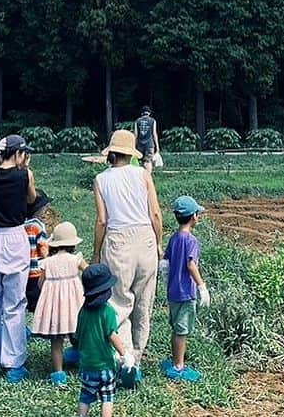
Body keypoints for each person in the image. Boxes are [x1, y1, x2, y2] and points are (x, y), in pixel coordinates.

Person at [92, 130, 163, 384]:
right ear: (131, 154)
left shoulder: (101, 180)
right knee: (144, 304)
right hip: (145, 238)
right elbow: (155, 213)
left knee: (119, 303)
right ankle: (137, 359)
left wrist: (96, 252)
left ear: (110, 153)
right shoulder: (143, 174)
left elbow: (102, 221)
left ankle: (124, 360)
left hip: (117, 240)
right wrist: (158, 242)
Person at [0, 134, 36, 384]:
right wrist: (25, 168)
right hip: (15, 237)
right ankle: (13, 362)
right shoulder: (24, 176)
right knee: (14, 302)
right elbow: (32, 198)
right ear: (19, 153)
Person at [160, 195, 210, 382]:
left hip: (172, 292)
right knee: (182, 331)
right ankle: (178, 366)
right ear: (194, 216)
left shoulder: (174, 238)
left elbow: (165, 262)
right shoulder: (191, 241)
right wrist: (202, 286)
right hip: (185, 294)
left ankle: (174, 360)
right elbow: (191, 265)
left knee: (176, 328)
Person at [33, 221, 88, 386]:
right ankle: (84, 365)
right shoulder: (76, 259)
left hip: (55, 308)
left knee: (56, 341)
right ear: (73, 243)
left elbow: (40, 284)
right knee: (79, 335)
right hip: (75, 305)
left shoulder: (47, 263)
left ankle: (58, 373)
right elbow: (90, 272)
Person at [76, 263, 135, 417]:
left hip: (86, 366)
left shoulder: (83, 311)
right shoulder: (107, 311)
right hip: (105, 367)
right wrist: (125, 355)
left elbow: (77, 335)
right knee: (107, 399)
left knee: (85, 397)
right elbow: (112, 336)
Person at [24, 190, 52, 313]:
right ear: (39, 209)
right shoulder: (38, 226)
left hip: (23, 272)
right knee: (39, 307)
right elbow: (44, 250)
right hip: (36, 272)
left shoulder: (22, 225)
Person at [134, 106, 160, 172]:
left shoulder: (137, 121)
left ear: (142, 113)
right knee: (148, 161)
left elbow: (136, 135)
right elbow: (154, 134)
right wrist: (157, 146)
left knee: (140, 162)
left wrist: (134, 146)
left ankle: (140, 177)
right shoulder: (152, 121)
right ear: (149, 113)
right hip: (149, 145)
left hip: (140, 145)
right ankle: (148, 177)